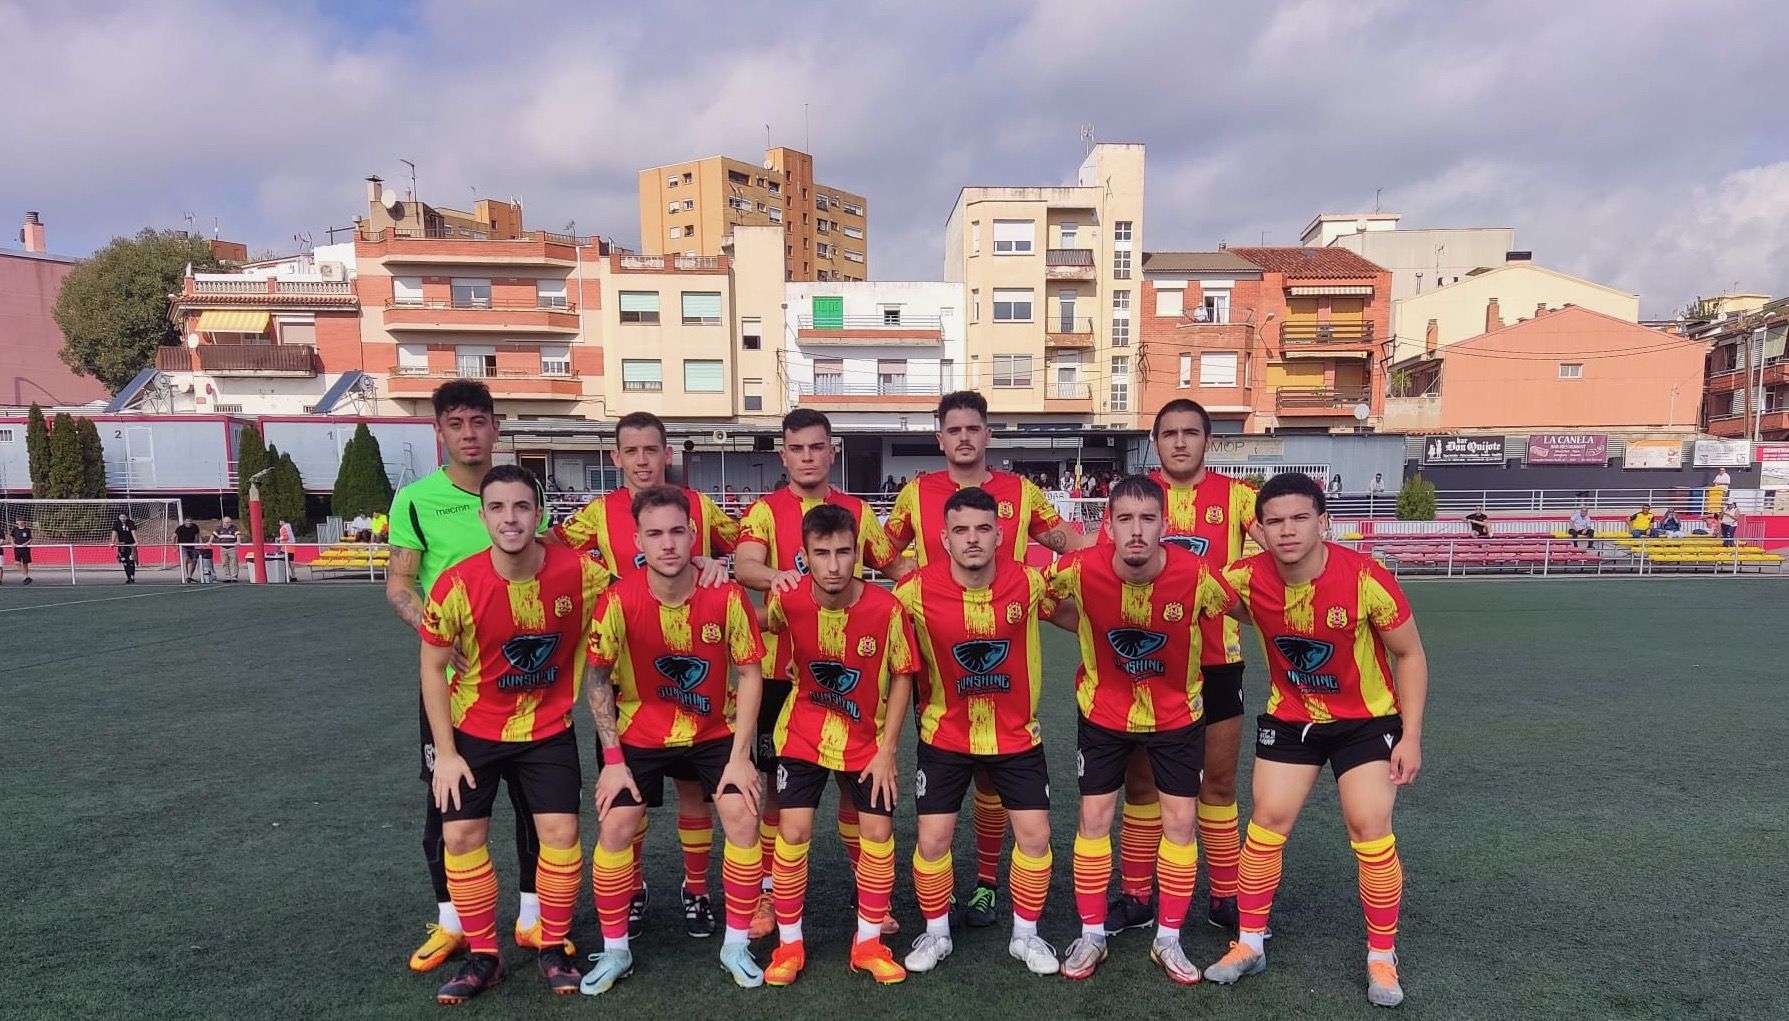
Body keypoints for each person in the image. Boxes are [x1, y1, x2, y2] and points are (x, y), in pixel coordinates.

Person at [1203, 473, 1429, 1009]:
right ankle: (1250, 944)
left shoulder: (1366, 578)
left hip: (1366, 722)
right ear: (1258, 528)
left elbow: (1411, 654)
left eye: (1300, 518)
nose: (1287, 530)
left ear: (1324, 522)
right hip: (1291, 718)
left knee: (1369, 825)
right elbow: (1181, 590)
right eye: (1275, 521)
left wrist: (1412, 736)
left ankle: (1381, 954)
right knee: (1267, 822)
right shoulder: (1241, 578)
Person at [883, 390, 1096, 927]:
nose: (963, 438)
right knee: (953, 757)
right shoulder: (916, 492)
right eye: (952, 430)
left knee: (993, 778)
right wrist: (913, 582)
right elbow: (882, 550)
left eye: (972, 428)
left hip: (1010, 628)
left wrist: (1113, 553)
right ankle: (948, 898)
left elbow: (1062, 537)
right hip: (937, 645)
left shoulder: (1020, 492)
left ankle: (984, 884)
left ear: (987, 434)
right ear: (940, 438)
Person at [418, 465, 609, 1003]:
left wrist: (709, 568)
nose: (510, 518)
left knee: (561, 835)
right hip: (473, 730)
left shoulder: (580, 573)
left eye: (521, 507)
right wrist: (446, 754)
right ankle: (484, 956)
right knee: (460, 837)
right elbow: (432, 669)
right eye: (498, 508)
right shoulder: (456, 585)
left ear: (539, 514)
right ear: (482, 517)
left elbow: (637, 594)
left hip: (548, 729)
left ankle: (551, 944)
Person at [551, 410, 737, 939]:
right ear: (615, 458)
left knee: (696, 793)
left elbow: (743, 545)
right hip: (626, 680)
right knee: (627, 794)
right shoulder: (596, 514)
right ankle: (631, 888)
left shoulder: (698, 506)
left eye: (650, 450)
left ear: (667, 453)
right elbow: (553, 553)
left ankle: (696, 889)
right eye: (630, 451)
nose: (641, 460)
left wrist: (714, 561)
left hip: (695, 682)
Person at [387, 380, 552, 974]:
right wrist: (436, 632)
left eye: (478, 421)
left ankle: (533, 916)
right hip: (453, 684)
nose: (468, 433)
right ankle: (453, 922)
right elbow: (400, 585)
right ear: (439, 431)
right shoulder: (415, 501)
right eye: (455, 423)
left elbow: (550, 565)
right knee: (446, 800)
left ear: (496, 428)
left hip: (526, 681)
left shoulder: (522, 495)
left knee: (536, 801)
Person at [1047, 476, 1238, 984]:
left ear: (1164, 525)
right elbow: (1031, 598)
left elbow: (1254, 608)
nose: (1136, 531)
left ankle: (1168, 940)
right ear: (1107, 525)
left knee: (1180, 823)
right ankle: (1091, 935)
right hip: (1103, 712)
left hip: (1177, 715)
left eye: (1147, 519)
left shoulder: (1198, 576)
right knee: (1094, 817)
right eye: (1125, 519)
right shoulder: (1077, 569)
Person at [580, 486, 769, 994]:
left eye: (677, 532)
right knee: (616, 821)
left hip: (713, 731)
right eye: (655, 534)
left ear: (693, 536)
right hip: (640, 732)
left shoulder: (725, 595)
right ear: (638, 539)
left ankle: (735, 943)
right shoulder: (618, 599)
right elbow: (596, 679)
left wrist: (740, 758)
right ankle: (615, 948)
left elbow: (750, 674)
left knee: (742, 814)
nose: (668, 544)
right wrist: (613, 760)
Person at [734, 409, 911, 941]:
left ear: (831, 451)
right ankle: (769, 890)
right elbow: (745, 565)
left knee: (855, 783)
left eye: (817, 447)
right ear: (783, 454)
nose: (807, 456)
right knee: (776, 790)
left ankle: (870, 892)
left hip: (851, 672)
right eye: (797, 448)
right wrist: (781, 576)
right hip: (779, 672)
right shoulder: (765, 511)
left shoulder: (857, 509)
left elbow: (892, 565)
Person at [1105, 400, 1267, 939]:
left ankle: (1224, 896)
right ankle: (1137, 896)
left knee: (1217, 784)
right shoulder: (1136, 498)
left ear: (1208, 441)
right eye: (1169, 433)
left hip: (1219, 660)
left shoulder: (1240, 498)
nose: (1179, 442)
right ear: (1155, 441)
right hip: (1145, 663)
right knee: (1142, 785)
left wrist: (1239, 582)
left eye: (1190, 433)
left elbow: (1282, 553)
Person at [893, 487, 1062, 976]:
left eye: (983, 529)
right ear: (943, 538)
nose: (973, 539)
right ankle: (936, 931)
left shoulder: (1030, 583)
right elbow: (877, 637)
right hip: (944, 736)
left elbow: (1087, 598)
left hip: (1016, 737)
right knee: (932, 839)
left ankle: (1025, 937)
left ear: (1000, 534)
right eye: (961, 530)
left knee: (1036, 835)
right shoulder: (913, 591)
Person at [758, 503, 917, 986]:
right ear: (804, 556)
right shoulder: (786, 601)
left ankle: (868, 942)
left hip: (866, 740)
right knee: (795, 832)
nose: (834, 565)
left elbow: (903, 676)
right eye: (821, 553)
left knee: (877, 834)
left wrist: (889, 749)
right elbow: (764, 633)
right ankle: (789, 946)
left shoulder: (887, 609)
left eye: (844, 552)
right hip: (802, 733)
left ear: (859, 554)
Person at [210, 516, 241, 583]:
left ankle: (234, 577)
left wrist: (238, 541)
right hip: (223, 548)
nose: (228, 523)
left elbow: (238, 535)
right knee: (224, 563)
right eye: (227, 522)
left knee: (234, 563)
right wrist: (210, 541)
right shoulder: (219, 528)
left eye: (229, 522)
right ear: (223, 522)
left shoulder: (234, 528)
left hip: (232, 548)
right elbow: (213, 534)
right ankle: (227, 577)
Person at [175, 518, 202, 584]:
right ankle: (188, 576)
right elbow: (173, 537)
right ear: (184, 522)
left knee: (194, 560)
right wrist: (175, 547)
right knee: (187, 559)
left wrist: (199, 544)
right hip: (183, 546)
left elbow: (198, 536)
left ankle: (189, 576)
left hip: (191, 546)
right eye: (187, 522)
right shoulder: (180, 528)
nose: (188, 523)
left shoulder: (195, 527)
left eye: (190, 522)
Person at [113, 514, 138, 584]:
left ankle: (132, 577)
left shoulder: (130, 523)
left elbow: (133, 532)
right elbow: (114, 533)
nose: (123, 518)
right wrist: (112, 542)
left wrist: (136, 542)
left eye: (124, 517)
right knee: (124, 562)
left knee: (131, 560)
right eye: (121, 517)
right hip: (122, 545)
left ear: (127, 517)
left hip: (130, 544)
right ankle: (128, 577)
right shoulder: (116, 523)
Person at [8, 517, 32, 585]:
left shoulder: (27, 530)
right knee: (17, 563)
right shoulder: (15, 530)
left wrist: (26, 543)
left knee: (25, 564)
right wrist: (12, 543)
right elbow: (12, 537)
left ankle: (26, 578)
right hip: (17, 549)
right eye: (19, 521)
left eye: (22, 521)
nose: (20, 522)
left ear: (24, 521)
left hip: (25, 549)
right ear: (16, 522)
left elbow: (30, 539)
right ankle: (26, 577)